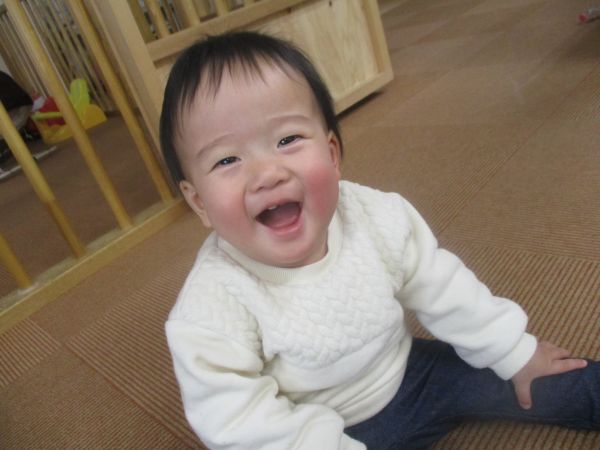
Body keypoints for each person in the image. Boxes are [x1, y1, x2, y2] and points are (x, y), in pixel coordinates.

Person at [160, 32, 599, 449]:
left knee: (530, 376)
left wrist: (515, 351)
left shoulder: (374, 215)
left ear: (332, 155)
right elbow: (238, 418)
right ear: (199, 203)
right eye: (227, 160)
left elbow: (443, 287)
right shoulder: (210, 306)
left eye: (287, 139)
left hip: (413, 373)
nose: (267, 174)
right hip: (326, 429)